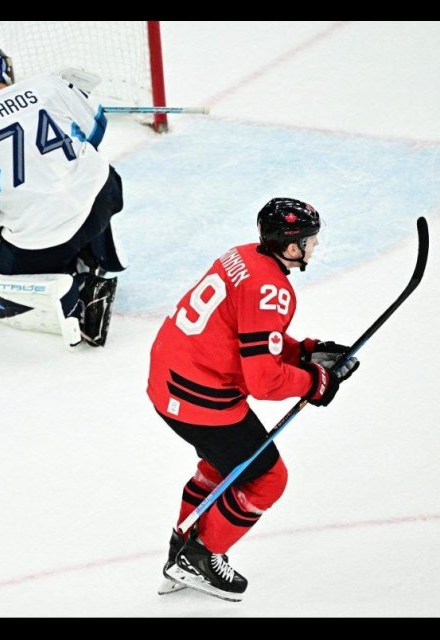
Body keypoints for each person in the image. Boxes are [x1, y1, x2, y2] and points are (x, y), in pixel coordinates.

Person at [146, 198, 360, 602]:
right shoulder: (271, 288)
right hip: (199, 395)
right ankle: (201, 557)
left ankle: (183, 547)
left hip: (170, 380)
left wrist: (304, 352)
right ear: (291, 246)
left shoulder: (242, 256)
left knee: (221, 465)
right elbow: (263, 381)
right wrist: (314, 383)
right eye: (310, 240)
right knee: (267, 478)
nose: (315, 245)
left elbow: (246, 333)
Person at [0, 41, 126, 349]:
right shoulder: (48, 84)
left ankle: (78, 293)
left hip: (46, 239)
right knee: (86, 178)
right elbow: (96, 130)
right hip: (106, 195)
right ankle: (101, 254)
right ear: (8, 69)